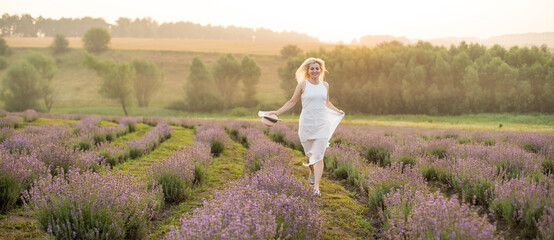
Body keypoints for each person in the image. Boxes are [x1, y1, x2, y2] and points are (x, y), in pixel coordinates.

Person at [269, 57, 344, 196]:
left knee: (319, 155)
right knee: (309, 156)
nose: (315, 71)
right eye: (312, 68)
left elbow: (327, 103)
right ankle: (311, 171)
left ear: (320, 70)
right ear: (308, 71)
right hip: (307, 124)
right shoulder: (303, 85)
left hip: (322, 123)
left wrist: (337, 110)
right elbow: (291, 102)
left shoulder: (325, 85)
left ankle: (316, 187)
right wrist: (277, 112)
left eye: (317, 68)